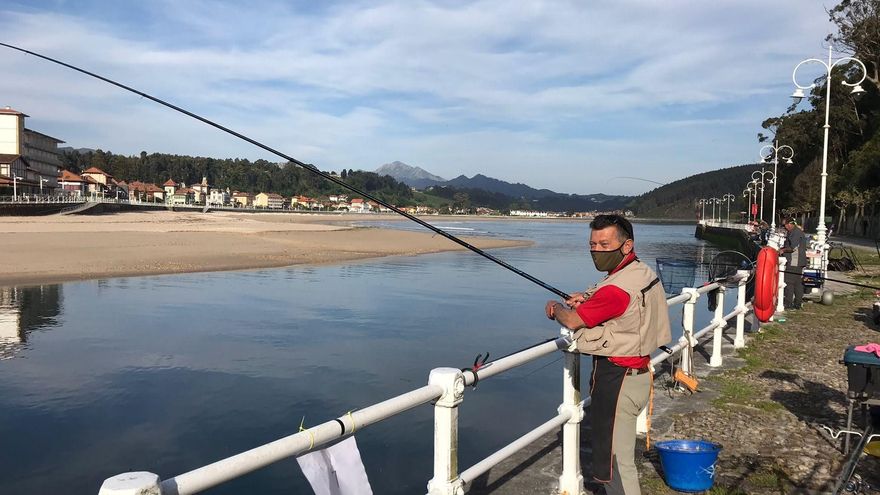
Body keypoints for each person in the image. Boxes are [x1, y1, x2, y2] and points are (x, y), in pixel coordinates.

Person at [544, 214, 671, 495]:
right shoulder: (641, 271)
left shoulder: (616, 288)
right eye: (593, 244)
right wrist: (588, 299)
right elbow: (618, 304)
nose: (597, 251)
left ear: (626, 245)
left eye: (604, 244)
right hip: (637, 375)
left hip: (618, 380)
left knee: (616, 463)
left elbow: (573, 321)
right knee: (618, 457)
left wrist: (556, 308)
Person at [780, 218, 806, 309]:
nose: (784, 227)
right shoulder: (794, 232)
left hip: (795, 261)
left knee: (789, 282)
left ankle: (788, 303)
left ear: (789, 224)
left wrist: (782, 250)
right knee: (797, 282)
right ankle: (798, 303)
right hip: (798, 261)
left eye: (784, 225)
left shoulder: (796, 233)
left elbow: (792, 247)